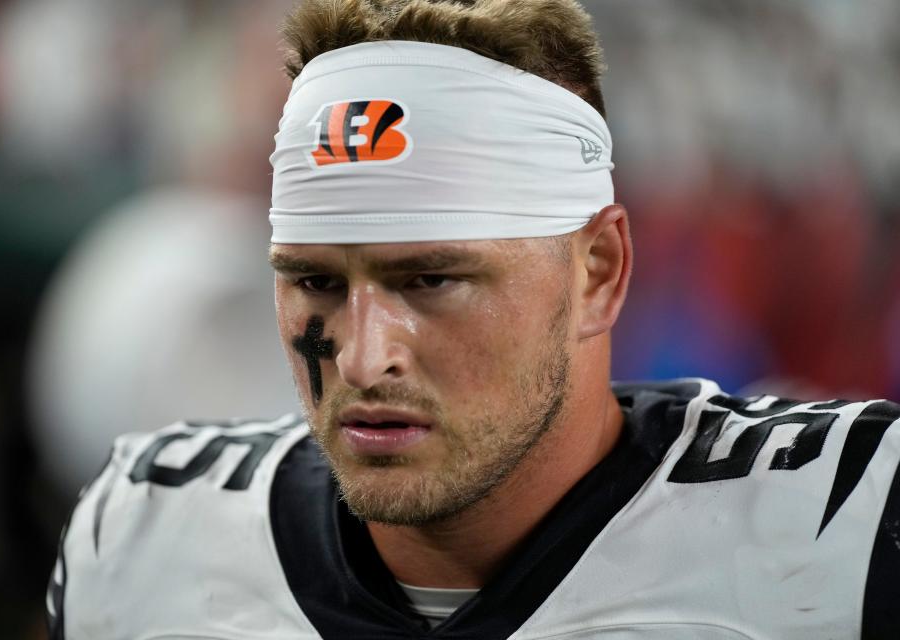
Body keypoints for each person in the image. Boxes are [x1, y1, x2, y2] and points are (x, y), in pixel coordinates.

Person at [46, 1, 900, 638]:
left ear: (597, 272)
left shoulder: (850, 522)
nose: (363, 357)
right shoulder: (141, 537)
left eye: (430, 280)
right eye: (314, 282)